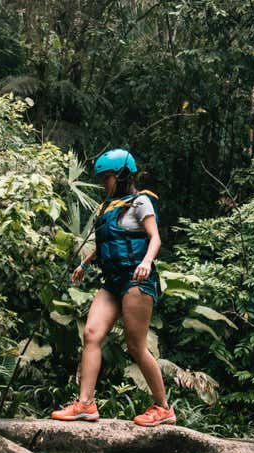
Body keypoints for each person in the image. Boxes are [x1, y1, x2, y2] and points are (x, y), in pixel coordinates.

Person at [50, 148, 176, 427]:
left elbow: (155, 238)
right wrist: (85, 264)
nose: (103, 184)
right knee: (92, 334)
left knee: (135, 345)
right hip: (112, 282)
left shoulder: (140, 202)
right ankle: (85, 404)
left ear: (121, 176)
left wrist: (146, 262)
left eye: (106, 178)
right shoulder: (106, 208)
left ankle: (163, 407)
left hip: (136, 280)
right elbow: (107, 240)